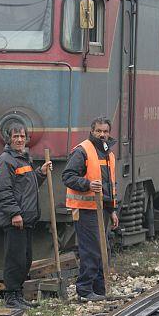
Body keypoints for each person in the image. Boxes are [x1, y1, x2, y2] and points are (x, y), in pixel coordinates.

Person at [0, 123, 52, 309]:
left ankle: (18, 295)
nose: (19, 140)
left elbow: (28, 186)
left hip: (26, 220)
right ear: (8, 139)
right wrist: (14, 213)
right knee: (15, 259)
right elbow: (3, 190)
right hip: (16, 220)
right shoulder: (6, 160)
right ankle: (11, 297)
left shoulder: (24, 159)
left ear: (26, 139)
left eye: (22, 137)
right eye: (15, 137)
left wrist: (41, 173)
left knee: (25, 260)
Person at [62, 116, 119, 302]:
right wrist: (87, 184)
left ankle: (99, 290)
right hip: (85, 208)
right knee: (92, 249)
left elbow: (110, 185)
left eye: (105, 131)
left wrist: (112, 209)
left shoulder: (108, 154)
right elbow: (68, 176)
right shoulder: (82, 151)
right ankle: (85, 290)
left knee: (103, 248)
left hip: (102, 208)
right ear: (92, 131)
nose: (102, 135)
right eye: (98, 131)